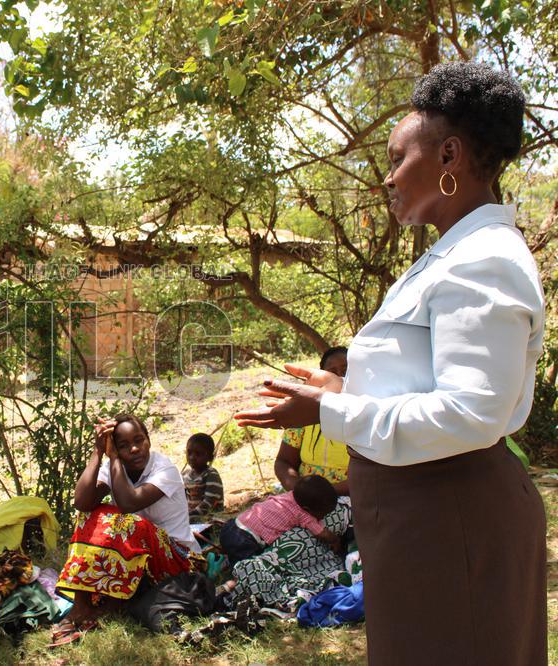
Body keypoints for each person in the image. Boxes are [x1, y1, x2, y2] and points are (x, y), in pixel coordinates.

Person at [235, 62, 546, 665]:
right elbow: (428, 378)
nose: (388, 178)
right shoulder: (448, 256)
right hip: (421, 517)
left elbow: (471, 412)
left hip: (453, 519)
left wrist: (333, 410)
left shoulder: (484, 260)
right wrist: (347, 384)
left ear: (449, 156)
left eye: (397, 159)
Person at [51, 414, 200, 646]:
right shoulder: (114, 466)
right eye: (123, 445)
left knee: (129, 522)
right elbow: (82, 502)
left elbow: (128, 503)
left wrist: (114, 458)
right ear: (115, 449)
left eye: (139, 440)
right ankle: (81, 606)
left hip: (178, 562)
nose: (134, 448)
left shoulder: (165, 469)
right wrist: (98, 452)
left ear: (149, 440)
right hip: (140, 558)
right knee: (91, 513)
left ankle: (110, 606)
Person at [275, 347, 351, 495]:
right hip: (304, 498)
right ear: (321, 378)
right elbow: (284, 462)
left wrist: (326, 494)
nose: (340, 377)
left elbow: (371, 475)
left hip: (352, 499)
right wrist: (298, 488)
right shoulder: (304, 415)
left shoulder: (366, 415)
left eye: (346, 370)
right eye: (332, 373)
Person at [218, 475, 339, 567]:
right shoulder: (303, 514)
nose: (323, 518)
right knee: (251, 567)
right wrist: (335, 540)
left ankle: (225, 559)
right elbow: (322, 534)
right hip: (245, 540)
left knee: (235, 554)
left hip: (232, 525)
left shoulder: (288, 496)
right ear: (308, 509)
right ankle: (232, 579)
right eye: (324, 513)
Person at [181, 433, 224, 521]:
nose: (192, 457)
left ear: (210, 457)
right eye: (189, 453)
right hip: (192, 518)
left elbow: (208, 504)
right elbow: (182, 499)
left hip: (210, 520)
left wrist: (188, 516)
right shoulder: (185, 475)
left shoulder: (211, 475)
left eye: (198, 454)